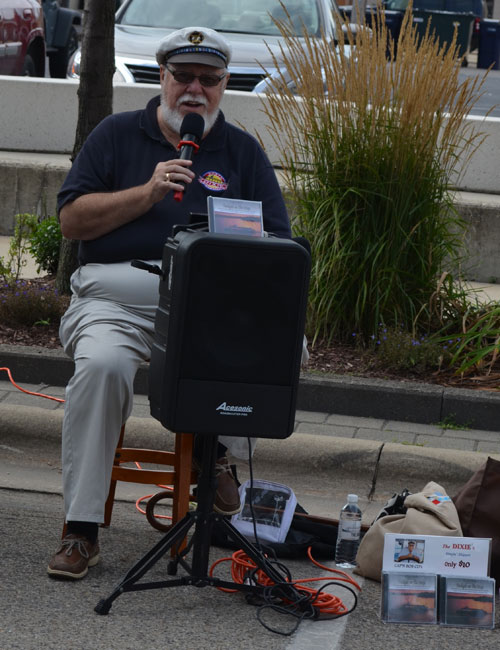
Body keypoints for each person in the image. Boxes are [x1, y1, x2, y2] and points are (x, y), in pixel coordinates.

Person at [47, 25, 298, 580]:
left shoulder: (242, 150)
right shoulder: (116, 135)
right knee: (102, 368)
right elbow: (71, 220)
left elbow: (279, 243)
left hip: (210, 303)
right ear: (162, 78)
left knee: (283, 343)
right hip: (118, 297)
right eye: (182, 76)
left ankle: (218, 454)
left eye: (208, 80)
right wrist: (149, 192)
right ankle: (80, 530)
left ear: (223, 85)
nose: (194, 90)